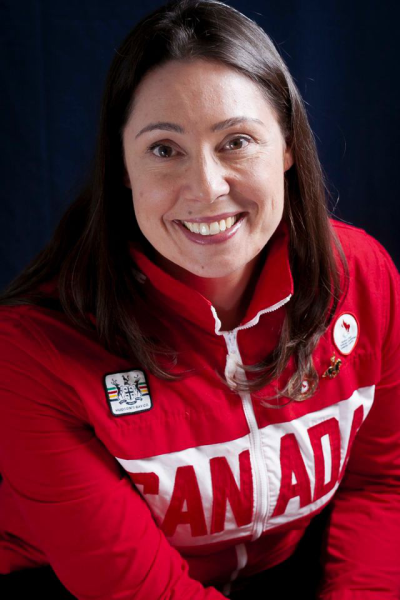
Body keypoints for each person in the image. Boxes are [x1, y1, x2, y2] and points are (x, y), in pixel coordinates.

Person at [0, 0, 399, 598]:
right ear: (125, 166)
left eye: (236, 141)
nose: (207, 187)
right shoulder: (32, 348)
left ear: (287, 146)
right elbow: (136, 590)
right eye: (165, 150)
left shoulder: (363, 273)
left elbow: (383, 481)